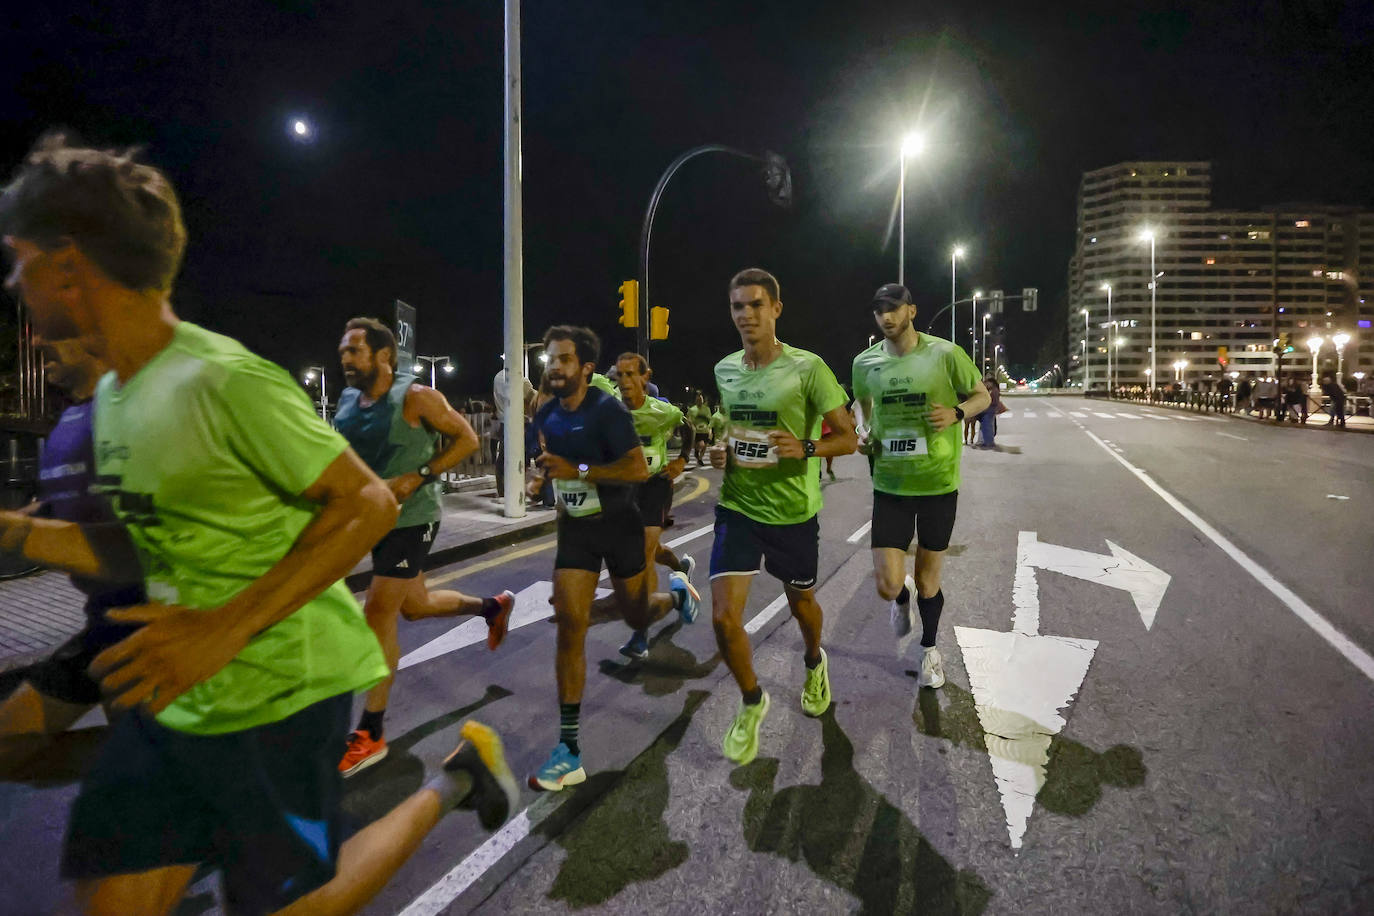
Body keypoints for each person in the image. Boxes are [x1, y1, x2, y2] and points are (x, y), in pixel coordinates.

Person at [0, 134, 517, 916]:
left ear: (71, 266)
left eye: (22, 258)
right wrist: (12, 533)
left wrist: (224, 628)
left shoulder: (222, 379)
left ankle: (456, 780)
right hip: (184, 692)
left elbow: (368, 502)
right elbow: (143, 541)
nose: (14, 278)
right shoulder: (114, 399)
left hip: (279, 686)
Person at [334, 317, 515, 776]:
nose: (345, 358)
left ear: (383, 356)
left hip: (413, 518)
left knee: (379, 610)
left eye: (354, 350)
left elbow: (467, 439)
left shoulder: (416, 397)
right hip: (372, 517)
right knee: (414, 607)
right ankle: (491, 607)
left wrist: (421, 476)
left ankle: (371, 731)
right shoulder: (348, 401)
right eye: (343, 351)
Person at [527, 326, 691, 791]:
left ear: (586, 369)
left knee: (637, 612)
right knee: (570, 623)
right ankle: (569, 749)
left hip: (619, 526)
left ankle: (676, 596)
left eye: (562, 360)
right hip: (576, 531)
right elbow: (552, 459)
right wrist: (542, 481)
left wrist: (579, 470)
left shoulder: (608, 411)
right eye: (549, 360)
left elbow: (637, 469)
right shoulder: (546, 412)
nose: (553, 368)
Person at [707, 268, 857, 766]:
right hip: (737, 507)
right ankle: (753, 701)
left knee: (801, 604)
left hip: (792, 512)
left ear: (775, 308)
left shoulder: (808, 368)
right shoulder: (725, 370)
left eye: (755, 305)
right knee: (725, 619)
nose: (745, 315)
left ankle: (814, 660)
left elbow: (849, 438)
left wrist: (807, 447)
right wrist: (722, 450)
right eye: (737, 307)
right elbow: (735, 431)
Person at [0, 337, 144, 777]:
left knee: (147, 798)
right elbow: (56, 506)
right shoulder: (69, 420)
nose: (38, 340)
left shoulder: (138, 412)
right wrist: (23, 521)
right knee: (11, 748)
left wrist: (18, 533)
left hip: (157, 627)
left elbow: (149, 541)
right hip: (105, 622)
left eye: (55, 332)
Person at [851, 284, 990, 690]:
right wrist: (863, 431)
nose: (886, 318)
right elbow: (861, 404)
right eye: (879, 312)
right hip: (890, 483)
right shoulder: (865, 362)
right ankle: (900, 599)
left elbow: (982, 396)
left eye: (893, 309)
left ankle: (929, 650)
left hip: (937, 484)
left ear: (911, 310)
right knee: (888, 584)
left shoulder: (945, 354)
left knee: (929, 582)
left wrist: (957, 412)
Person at [599, 352, 699, 660]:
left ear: (646, 377)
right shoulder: (607, 402)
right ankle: (680, 567)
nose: (624, 382)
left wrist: (682, 460)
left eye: (632, 375)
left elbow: (690, 428)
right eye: (620, 375)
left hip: (654, 486)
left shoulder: (663, 411)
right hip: (622, 487)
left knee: (641, 555)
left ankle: (640, 634)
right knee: (651, 550)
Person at [492, 361, 535, 498]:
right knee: (535, 458)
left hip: (504, 422)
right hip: (520, 423)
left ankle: (504, 492)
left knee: (504, 459)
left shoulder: (497, 377)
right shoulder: (519, 378)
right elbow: (532, 397)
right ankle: (544, 496)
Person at [687, 392, 713, 466]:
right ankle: (696, 451)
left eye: (701, 399)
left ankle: (700, 459)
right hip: (696, 431)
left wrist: (710, 431)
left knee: (705, 445)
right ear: (695, 400)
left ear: (703, 400)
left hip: (705, 430)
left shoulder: (707, 409)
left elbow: (710, 420)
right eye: (698, 399)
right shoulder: (692, 410)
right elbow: (688, 420)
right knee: (700, 444)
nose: (699, 401)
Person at [977, 373, 1001, 448]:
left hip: (989, 411)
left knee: (987, 427)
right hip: (988, 411)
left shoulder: (994, 390)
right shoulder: (991, 390)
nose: (986, 384)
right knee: (986, 427)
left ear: (992, 383)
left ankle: (989, 443)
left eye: (988, 383)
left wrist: (987, 403)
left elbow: (994, 401)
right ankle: (986, 442)